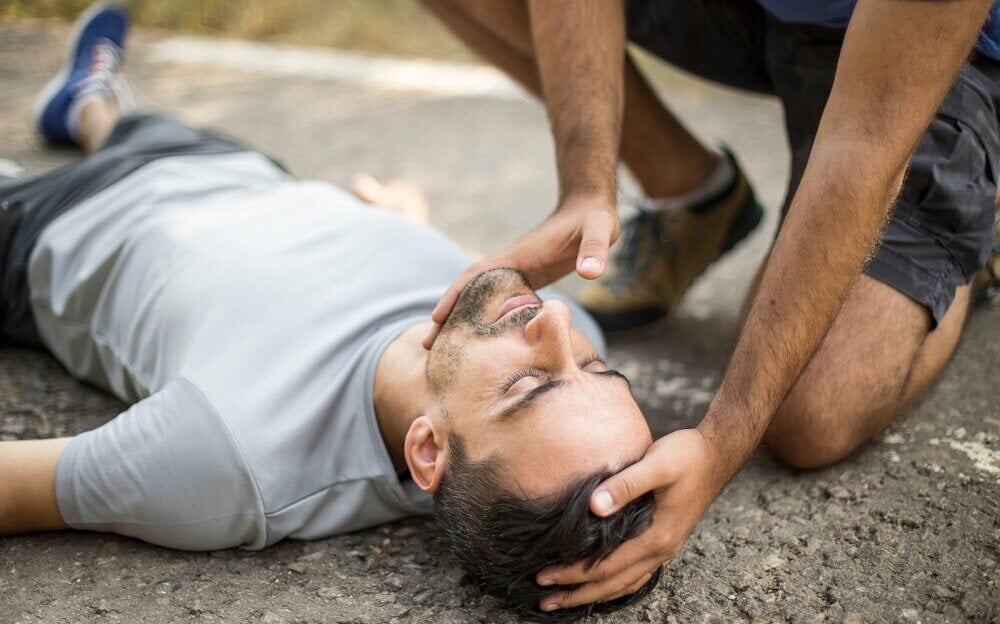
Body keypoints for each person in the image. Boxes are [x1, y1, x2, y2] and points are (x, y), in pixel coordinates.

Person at [0, 6, 662, 620]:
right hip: (240, 172)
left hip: (50, 230)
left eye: (529, 382)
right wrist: (409, 227)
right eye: (596, 368)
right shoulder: (523, 320)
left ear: (428, 450)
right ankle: (86, 102)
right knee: (121, 123)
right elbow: (531, 316)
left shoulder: (231, 460)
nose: (558, 324)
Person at [420, 0, 1000, 612]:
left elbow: (867, 138)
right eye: (594, 365)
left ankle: (974, 221)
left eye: (594, 367)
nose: (557, 316)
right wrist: (586, 186)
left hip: (921, 60)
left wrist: (723, 439)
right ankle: (691, 190)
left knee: (811, 415)